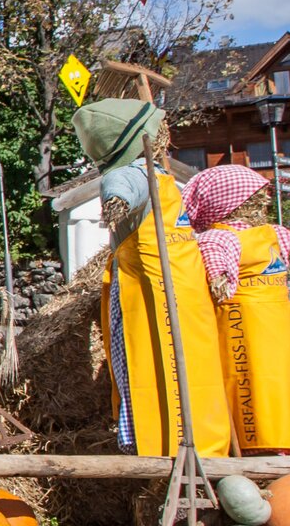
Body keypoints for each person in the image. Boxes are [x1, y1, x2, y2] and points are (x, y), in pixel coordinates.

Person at [78, 98, 232, 458]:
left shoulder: (161, 177)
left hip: (182, 291)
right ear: (142, 138)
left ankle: (206, 450)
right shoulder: (132, 174)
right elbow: (117, 187)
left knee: (196, 375)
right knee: (159, 371)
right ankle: (163, 448)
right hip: (152, 294)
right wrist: (115, 201)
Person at [182, 165, 290, 454]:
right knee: (254, 384)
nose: (263, 202)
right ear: (230, 202)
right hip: (244, 326)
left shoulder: (272, 233)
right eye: (255, 197)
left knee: (286, 382)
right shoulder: (218, 238)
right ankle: (258, 445)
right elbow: (218, 283)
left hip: (277, 324)